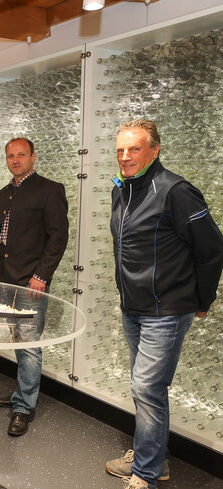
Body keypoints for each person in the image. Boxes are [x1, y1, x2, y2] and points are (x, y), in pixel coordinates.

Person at [105, 119, 223, 489]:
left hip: (167, 310)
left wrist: (203, 300)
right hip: (135, 308)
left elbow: (211, 249)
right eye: (121, 150)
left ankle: (146, 473)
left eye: (134, 149)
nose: (125, 157)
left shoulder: (176, 191)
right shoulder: (122, 190)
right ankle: (151, 456)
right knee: (148, 388)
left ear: (155, 150)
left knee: (145, 388)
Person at [0, 137, 69, 437]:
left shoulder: (50, 190)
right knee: (18, 341)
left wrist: (42, 276)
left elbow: (58, 238)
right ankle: (23, 392)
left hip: (31, 284)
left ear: (34, 156)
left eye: (21, 155)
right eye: (10, 156)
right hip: (5, 279)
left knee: (30, 346)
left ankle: (24, 407)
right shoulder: (4, 193)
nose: (15, 160)